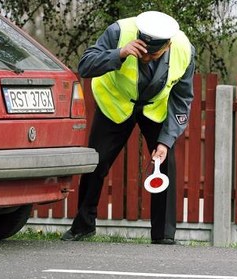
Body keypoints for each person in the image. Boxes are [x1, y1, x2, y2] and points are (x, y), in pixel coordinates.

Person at [61, 11, 196, 244]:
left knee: (164, 163)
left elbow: (182, 99)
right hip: (116, 102)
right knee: (98, 163)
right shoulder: (118, 32)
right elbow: (85, 66)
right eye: (143, 51)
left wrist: (166, 140)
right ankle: (83, 226)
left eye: (154, 54)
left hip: (154, 107)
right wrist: (120, 53)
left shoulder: (185, 49)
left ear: (168, 45)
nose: (147, 57)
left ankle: (163, 236)